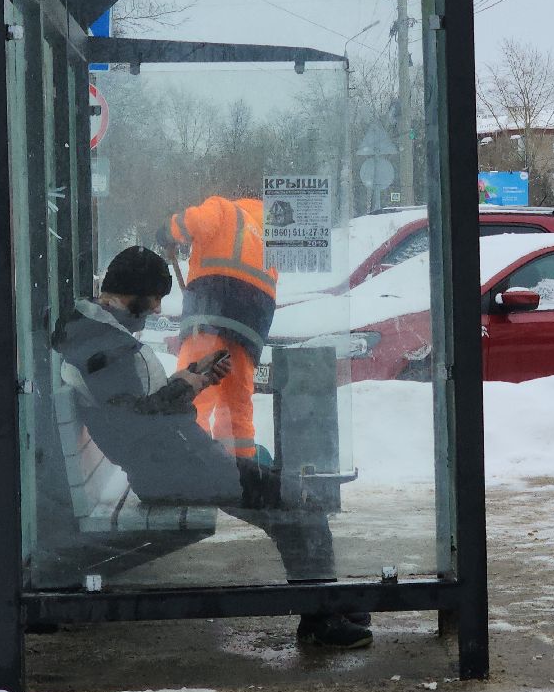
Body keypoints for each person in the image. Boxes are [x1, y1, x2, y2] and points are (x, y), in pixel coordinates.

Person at [53, 245, 372, 650]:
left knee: (282, 496)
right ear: (131, 293)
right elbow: (137, 425)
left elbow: (135, 414)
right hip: (175, 469)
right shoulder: (102, 348)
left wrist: (191, 380)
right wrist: (184, 387)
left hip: (176, 461)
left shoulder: (95, 334)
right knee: (298, 503)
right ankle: (321, 618)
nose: (151, 313)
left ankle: (325, 598)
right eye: (150, 304)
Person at [166, 195, 276, 461]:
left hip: (213, 303)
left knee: (195, 388)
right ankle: (240, 467)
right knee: (237, 401)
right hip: (254, 318)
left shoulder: (224, 208)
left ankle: (188, 460)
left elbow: (196, 222)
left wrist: (168, 230)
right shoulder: (269, 235)